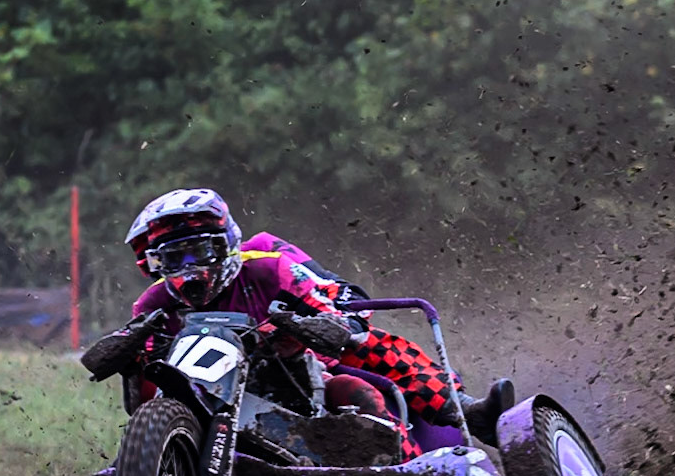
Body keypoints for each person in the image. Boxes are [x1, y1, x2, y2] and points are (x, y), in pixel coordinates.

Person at [85, 187, 514, 449]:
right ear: (154, 264)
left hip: (294, 381)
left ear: (227, 244)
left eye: (201, 252)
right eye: (173, 258)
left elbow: (339, 303)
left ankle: (465, 416)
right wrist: (128, 353)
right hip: (201, 404)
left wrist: (321, 326)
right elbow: (134, 372)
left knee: (366, 366)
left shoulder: (269, 268)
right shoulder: (153, 305)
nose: (190, 269)